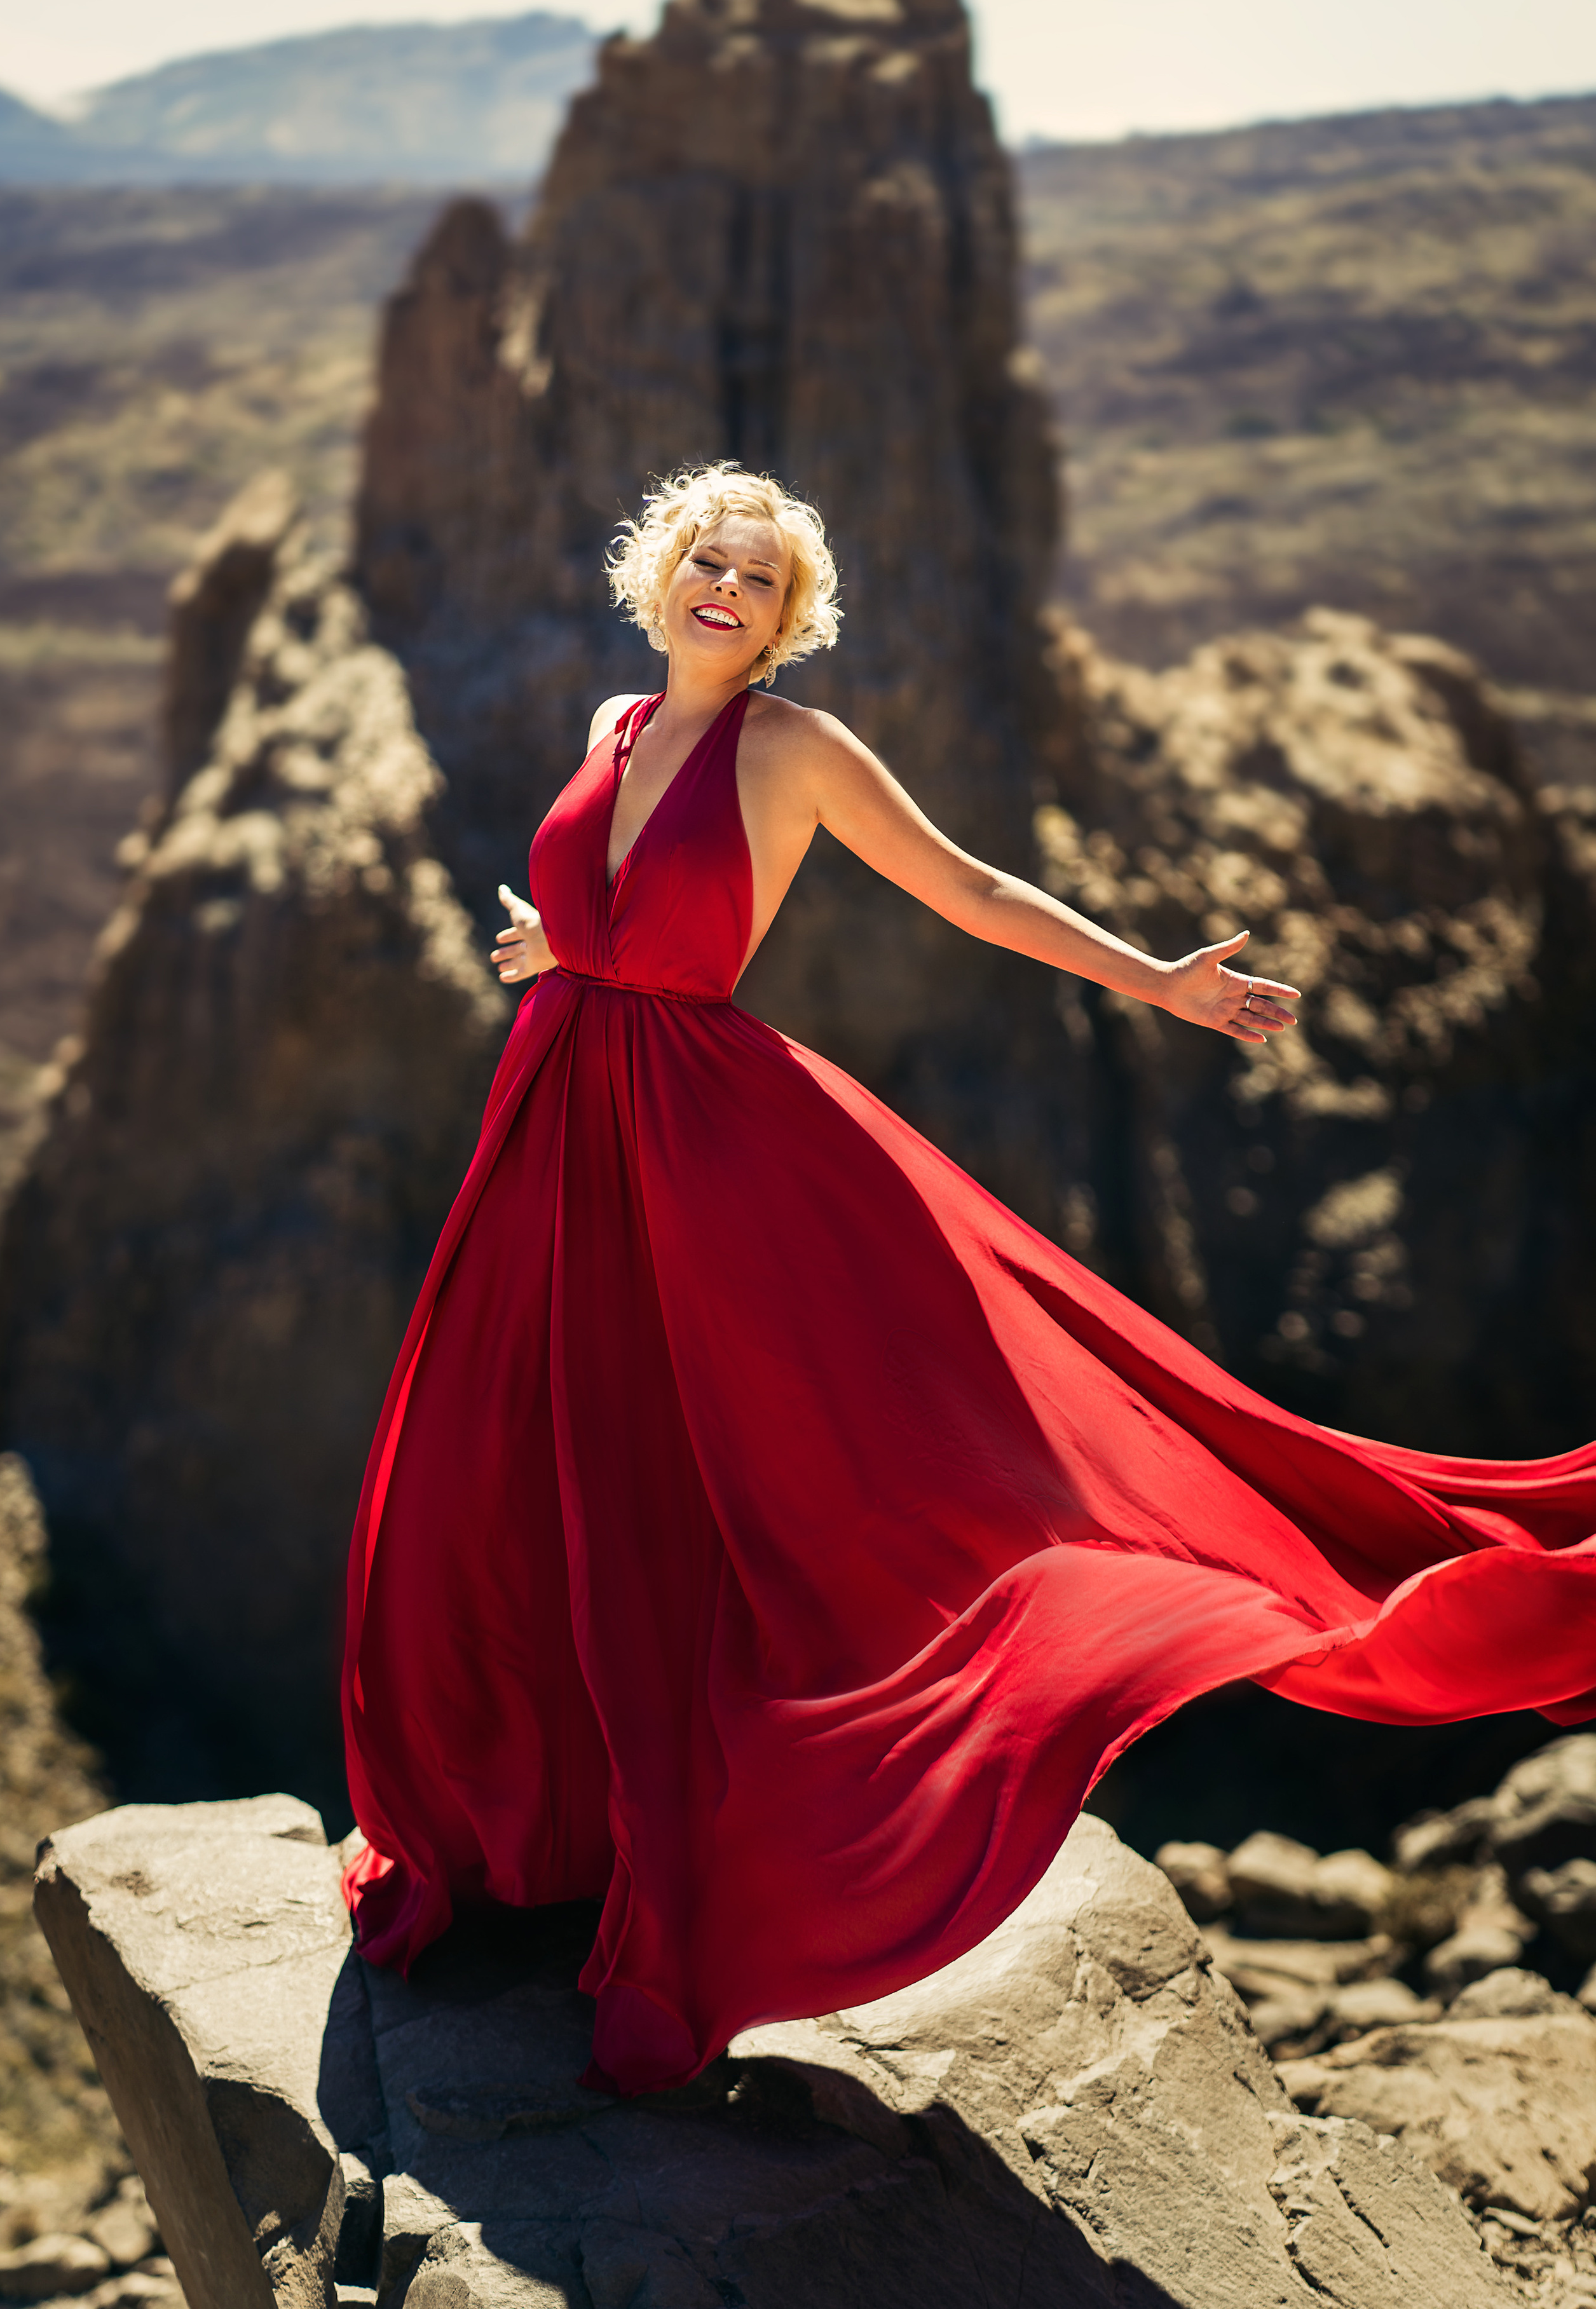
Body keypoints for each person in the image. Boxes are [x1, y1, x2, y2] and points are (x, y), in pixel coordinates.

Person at [341, 463, 1596, 2099]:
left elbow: (969, 889)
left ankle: (711, 1879)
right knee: (510, 1482)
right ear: (659, 573)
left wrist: (1154, 979)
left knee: (741, 1495)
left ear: (793, 617)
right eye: (708, 564)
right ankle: (532, 1840)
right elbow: (605, 919)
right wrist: (550, 951)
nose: (728, 594)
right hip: (555, 1132)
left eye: (764, 581)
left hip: (702, 1153)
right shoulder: (608, 726)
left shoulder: (790, 748)